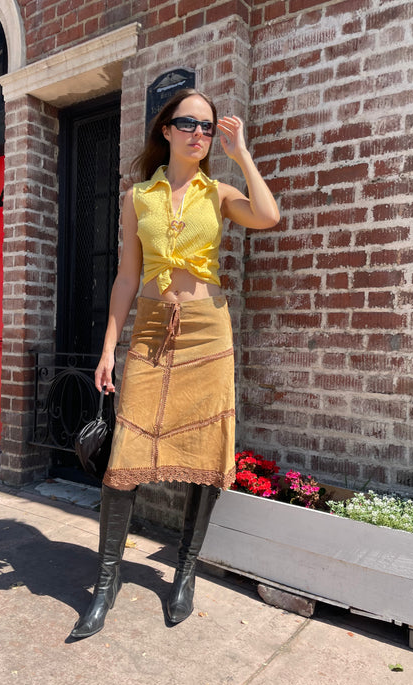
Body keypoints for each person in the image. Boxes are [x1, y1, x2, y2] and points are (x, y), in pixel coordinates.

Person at [70, 88, 280, 639]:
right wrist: (110, 346)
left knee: (206, 455)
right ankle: (107, 580)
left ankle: (184, 573)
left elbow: (267, 215)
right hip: (152, 333)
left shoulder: (220, 191)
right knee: (125, 457)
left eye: (207, 127)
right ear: (166, 129)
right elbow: (126, 277)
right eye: (187, 123)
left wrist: (241, 154)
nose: (198, 134)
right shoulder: (139, 196)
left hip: (207, 333)